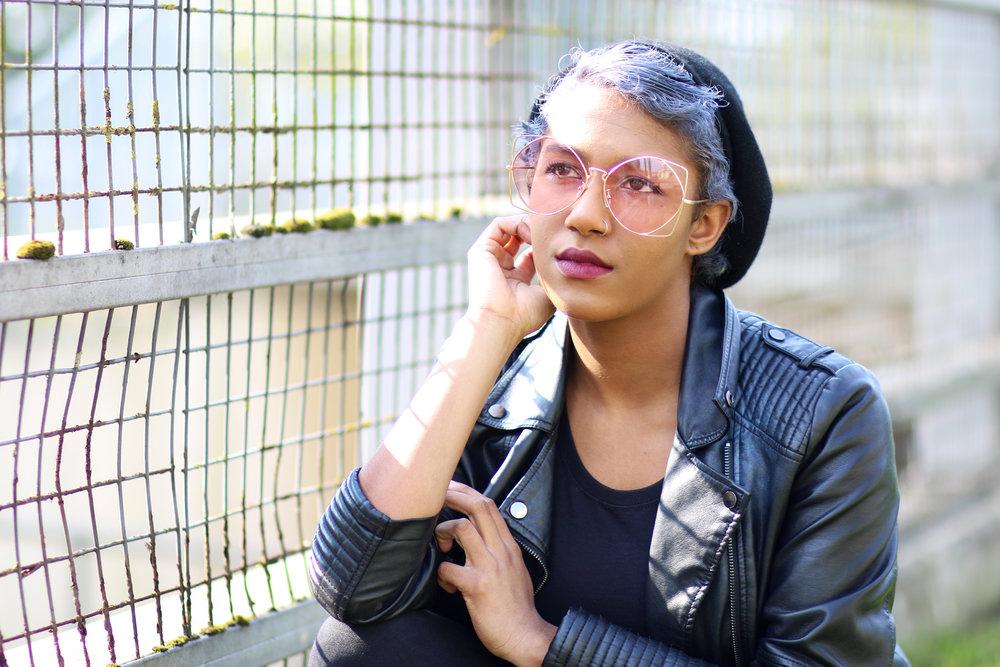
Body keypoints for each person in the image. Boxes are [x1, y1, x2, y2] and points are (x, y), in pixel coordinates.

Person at [307, 40, 909, 666]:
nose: (587, 215)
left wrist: (541, 643)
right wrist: (487, 326)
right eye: (561, 169)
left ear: (703, 225)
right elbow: (354, 590)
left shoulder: (824, 413)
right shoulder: (499, 381)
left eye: (641, 183)